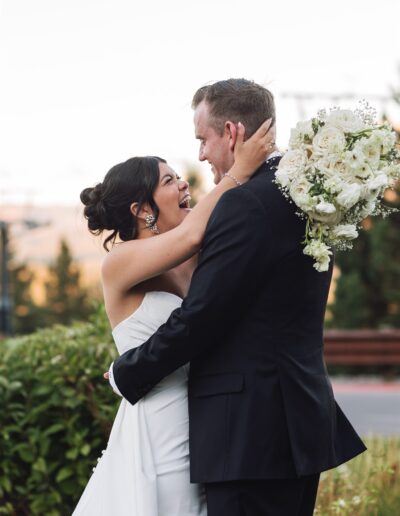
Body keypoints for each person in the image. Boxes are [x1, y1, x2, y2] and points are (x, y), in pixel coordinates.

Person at [108, 79, 367, 516]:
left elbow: (203, 315)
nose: (202, 155)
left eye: (203, 140)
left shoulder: (245, 204)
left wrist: (126, 373)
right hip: (293, 420)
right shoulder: (306, 198)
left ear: (230, 133)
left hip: (249, 433)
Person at [73, 113, 275, 515]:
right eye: (168, 181)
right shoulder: (121, 262)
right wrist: (239, 170)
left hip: (208, 421)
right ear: (140, 209)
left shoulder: (190, 258)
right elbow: (191, 233)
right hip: (159, 429)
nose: (184, 183)